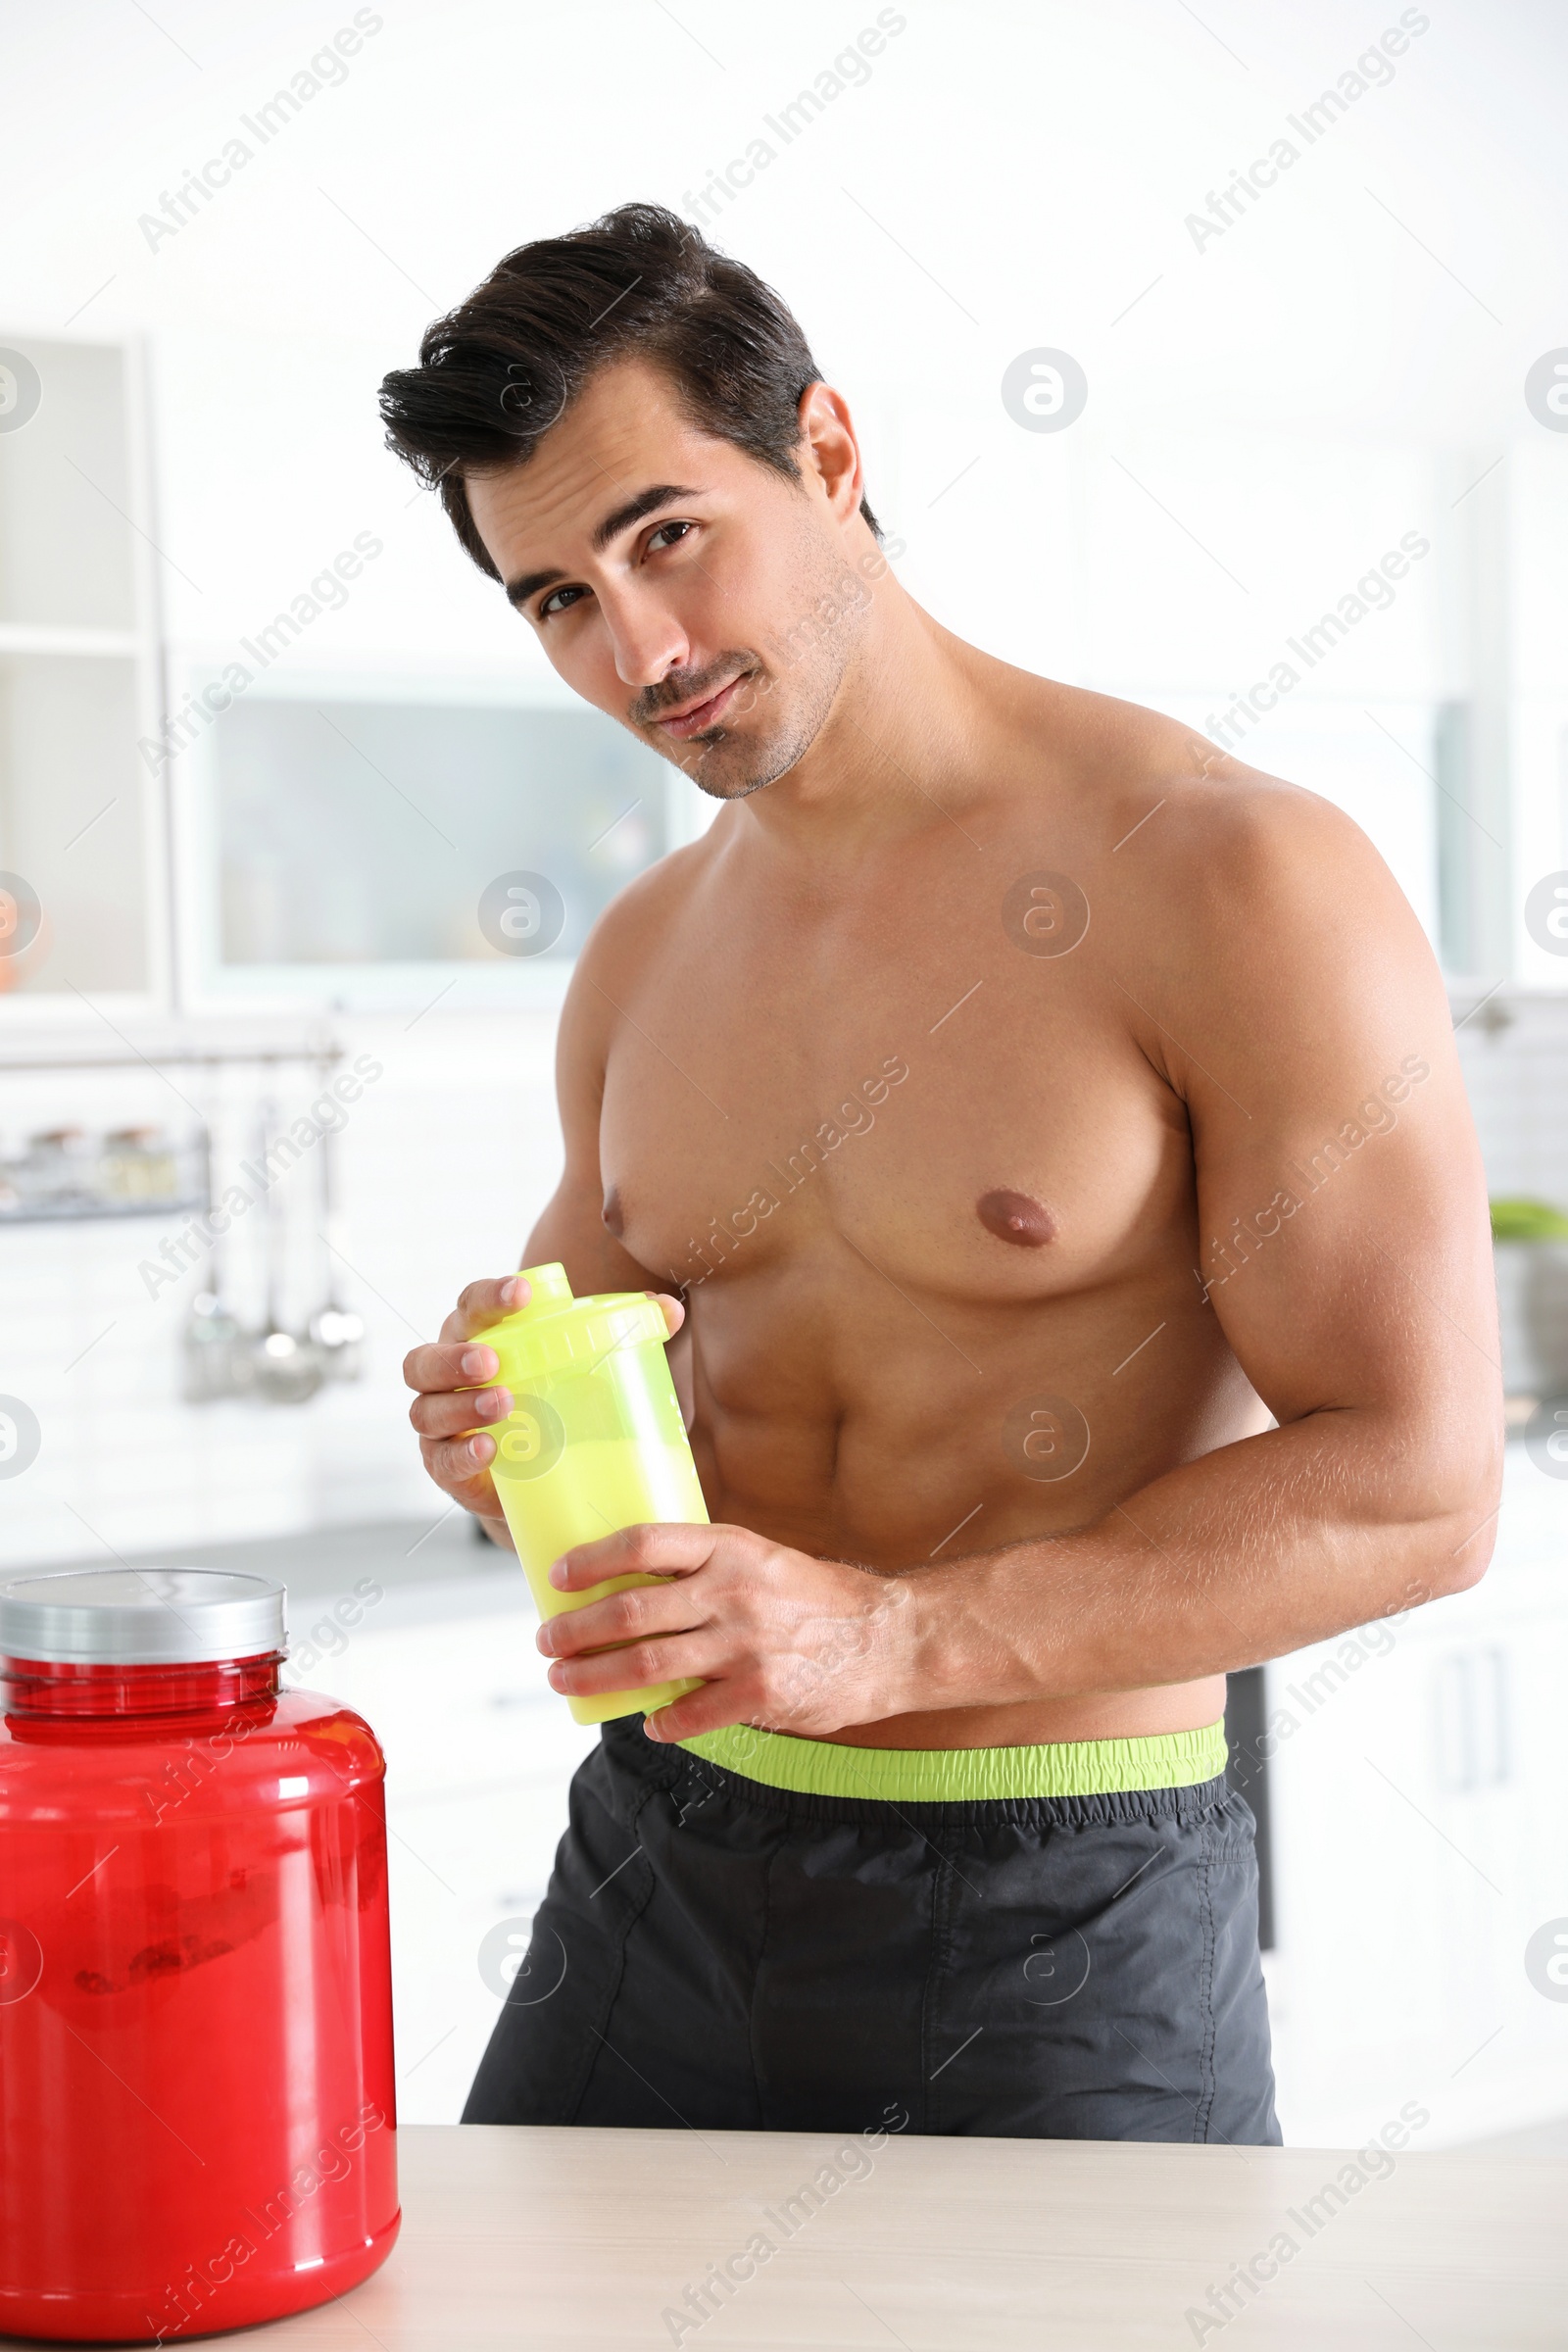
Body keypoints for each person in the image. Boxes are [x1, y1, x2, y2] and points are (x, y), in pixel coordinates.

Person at [381, 203, 1499, 2142]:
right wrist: (504, 1444)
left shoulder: (1224, 875)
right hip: (649, 1864)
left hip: (1051, 1904)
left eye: (664, 537)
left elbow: (1417, 1488)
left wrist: (899, 1637)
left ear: (824, 450)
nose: (635, 649)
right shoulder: (641, 953)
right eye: (555, 598)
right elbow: (602, 1469)